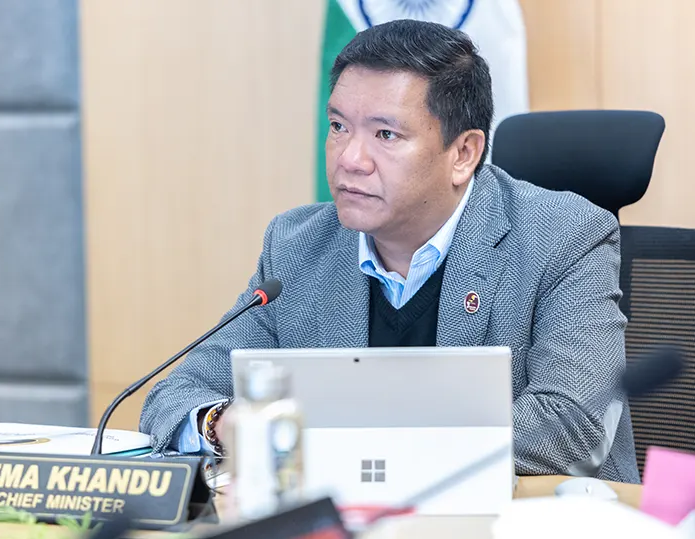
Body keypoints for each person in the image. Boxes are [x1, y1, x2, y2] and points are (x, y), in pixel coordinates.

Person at [140, 19, 639, 483]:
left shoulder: (563, 237)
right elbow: (174, 395)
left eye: (385, 134)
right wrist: (224, 424)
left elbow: (569, 425)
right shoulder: (297, 247)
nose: (350, 159)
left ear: (463, 153)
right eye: (339, 127)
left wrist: (343, 444)